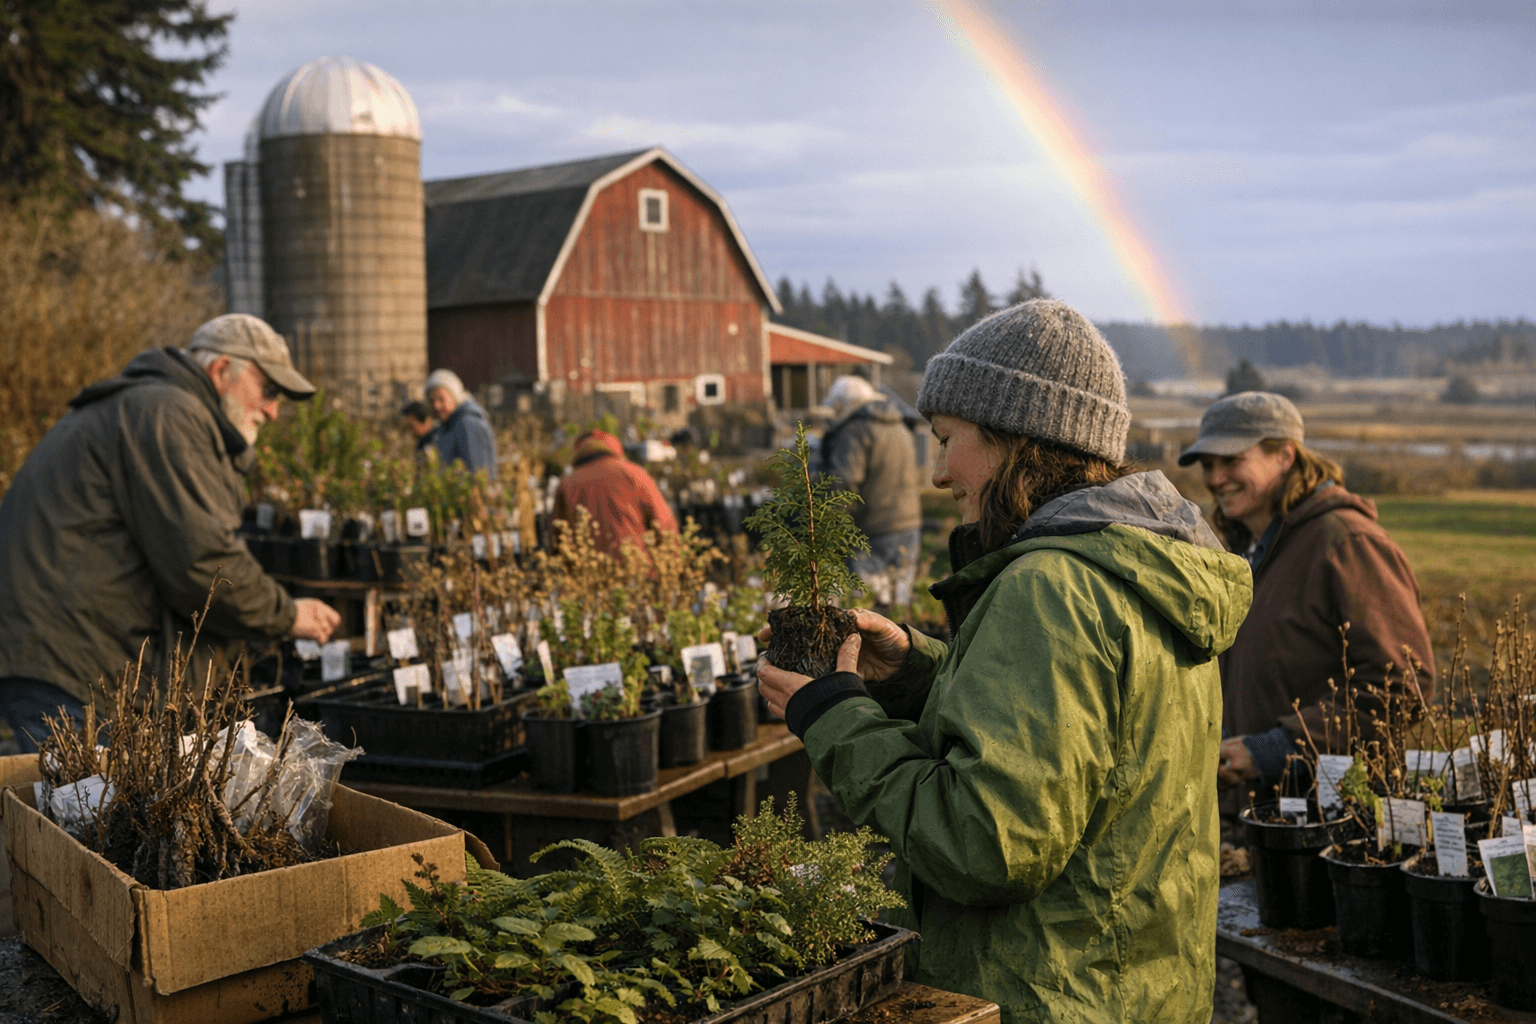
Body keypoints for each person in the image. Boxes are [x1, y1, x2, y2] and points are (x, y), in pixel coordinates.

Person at [758, 300, 1252, 1023]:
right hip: (1137, 988)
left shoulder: (1049, 587)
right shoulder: (1144, 568)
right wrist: (920, 672)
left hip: (1041, 996)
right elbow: (1087, 740)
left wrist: (834, 719)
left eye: (946, 438)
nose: (936, 473)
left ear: (1015, 437)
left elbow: (984, 844)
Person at [0, 314, 341, 752]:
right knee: (84, 812)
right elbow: (201, 563)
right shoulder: (168, 414)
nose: (274, 411)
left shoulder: (149, 407)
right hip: (71, 665)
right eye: (269, 390)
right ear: (221, 371)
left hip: (60, 653)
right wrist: (287, 615)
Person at [1177, 391, 1435, 796]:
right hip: (1264, 814)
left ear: (1285, 455)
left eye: (1231, 460)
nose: (1214, 479)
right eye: (1208, 465)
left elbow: (1403, 684)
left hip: (1339, 818)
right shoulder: (1244, 552)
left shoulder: (1347, 543)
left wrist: (1274, 750)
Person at [820, 375, 922, 609]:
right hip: (908, 524)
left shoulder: (855, 430)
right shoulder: (899, 425)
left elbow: (844, 484)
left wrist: (828, 526)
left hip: (872, 530)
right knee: (899, 602)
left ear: (844, 404)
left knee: (867, 606)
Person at [554, 429, 678, 556]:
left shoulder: (567, 484)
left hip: (588, 571)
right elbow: (664, 524)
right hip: (637, 566)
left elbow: (558, 542)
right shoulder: (635, 474)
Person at [425, 368, 498, 480]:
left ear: (454, 396)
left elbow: (479, 473)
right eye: (432, 401)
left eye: (441, 399)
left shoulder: (468, 424)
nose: (436, 406)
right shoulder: (449, 425)